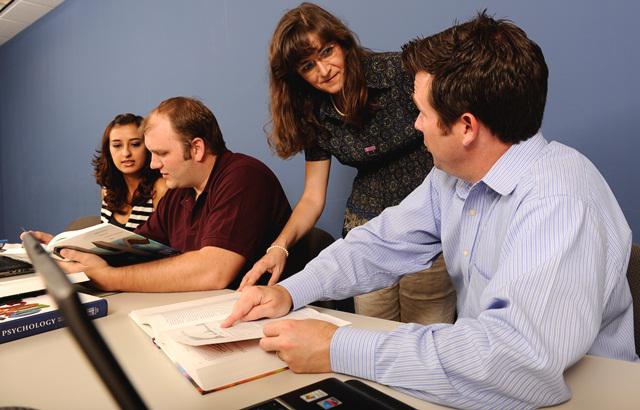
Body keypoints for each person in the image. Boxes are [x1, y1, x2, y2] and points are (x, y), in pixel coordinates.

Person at [222, 12, 638, 408]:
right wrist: (289, 291)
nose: (416, 125)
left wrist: (336, 347)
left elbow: (517, 365)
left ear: (467, 127)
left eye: (422, 113)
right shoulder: (452, 180)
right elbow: (378, 243)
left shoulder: (559, 201)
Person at [239, 2, 455, 325]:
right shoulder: (313, 110)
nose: (323, 70)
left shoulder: (397, 73)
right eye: (308, 66)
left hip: (427, 228)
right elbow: (313, 197)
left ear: (342, 42)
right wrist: (279, 248)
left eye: (326, 52)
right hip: (365, 232)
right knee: (371, 333)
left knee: (426, 334)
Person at [39, 97, 292, 292]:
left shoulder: (243, 176)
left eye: (161, 154)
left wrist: (110, 278)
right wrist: (67, 248)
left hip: (266, 319)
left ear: (196, 149)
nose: (153, 165)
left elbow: (214, 271)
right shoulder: (179, 192)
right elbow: (134, 247)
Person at [95, 113, 167, 231]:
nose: (126, 153)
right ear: (108, 150)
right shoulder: (107, 190)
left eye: (135, 144)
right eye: (117, 145)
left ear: (149, 146)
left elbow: (171, 244)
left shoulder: (160, 188)